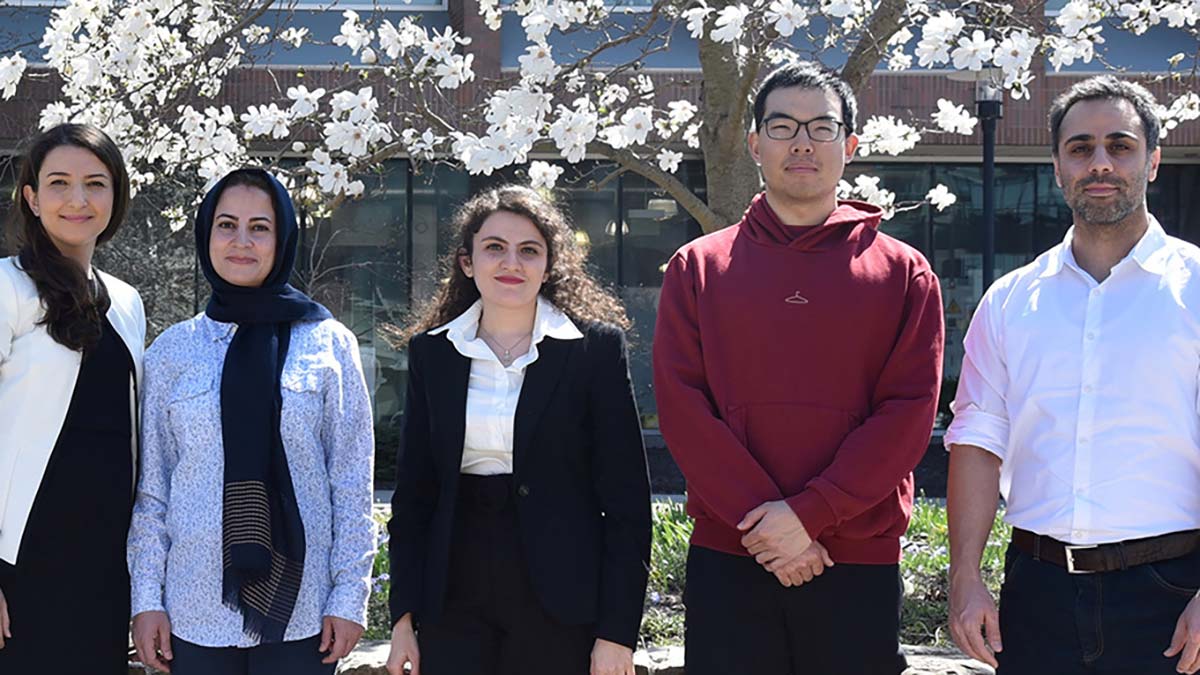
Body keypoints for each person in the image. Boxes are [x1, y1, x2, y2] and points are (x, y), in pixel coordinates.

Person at [652, 61, 944, 675]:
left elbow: (909, 413)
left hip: (856, 557)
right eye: (782, 126)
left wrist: (809, 515)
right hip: (732, 551)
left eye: (821, 127)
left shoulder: (903, 272)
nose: (803, 142)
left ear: (851, 145)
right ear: (755, 144)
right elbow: (682, 407)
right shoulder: (698, 268)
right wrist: (770, 522)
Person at [947, 76, 1200, 675]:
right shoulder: (1009, 302)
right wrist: (965, 578)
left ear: (1154, 160)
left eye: (1121, 145)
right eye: (1081, 149)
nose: (1101, 163)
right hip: (1036, 596)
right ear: (1058, 167)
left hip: (1171, 595)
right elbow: (977, 443)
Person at [384, 185, 651, 675]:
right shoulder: (434, 354)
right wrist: (402, 618)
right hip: (453, 596)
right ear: (467, 262)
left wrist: (617, 634)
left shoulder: (594, 351)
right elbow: (415, 496)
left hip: (562, 597)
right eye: (494, 248)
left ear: (549, 266)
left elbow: (627, 502)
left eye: (529, 250)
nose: (512, 262)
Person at [127, 168, 376, 675]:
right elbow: (152, 491)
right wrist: (145, 598)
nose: (242, 241)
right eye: (226, 225)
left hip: (303, 608)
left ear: (282, 238)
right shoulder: (172, 351)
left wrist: (350, 595)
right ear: (205, 235)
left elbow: (352, 480)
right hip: (192, 607)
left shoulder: (328, 344)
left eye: (260, 227)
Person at [0, 123, 144, 674]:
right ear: (32, 198)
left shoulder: (126, 301)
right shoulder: (9, 288)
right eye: (59, 183)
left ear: (116, 194)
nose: (78, 200)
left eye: (96, 183)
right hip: (21, 561)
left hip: (104, 566)